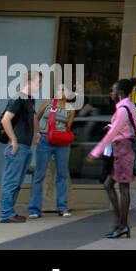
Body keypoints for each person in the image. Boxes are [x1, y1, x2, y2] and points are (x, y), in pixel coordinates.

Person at [90, 77, 136, 238]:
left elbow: (113, 134)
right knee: (108, 184)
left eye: (113, 90)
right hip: (121, 149)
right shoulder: (127, 106)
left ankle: (122, 225)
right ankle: (120, 222)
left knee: (123, 188)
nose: (111, 93)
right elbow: (122, 127)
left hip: (124, 148)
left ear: (120, 92)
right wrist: (112, 126)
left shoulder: (124, 108)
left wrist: (95, 152)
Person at [28, 82, 77, 219]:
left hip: (62, 143)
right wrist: (37, 134)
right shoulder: (48, 102)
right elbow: (36, 118)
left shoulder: (70, 108)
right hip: (45, 141)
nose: (60, 91)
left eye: (63, 89)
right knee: (39, 175)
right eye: (58, 89)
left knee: (62, 175)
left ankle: (63, 207)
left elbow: (68, 126)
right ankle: (35, 209)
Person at [0, 73, 36, 223]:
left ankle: (9, 212)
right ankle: (6, 214)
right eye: (38, 82)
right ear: (28, 81)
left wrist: (37, 133)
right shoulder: (19, 98)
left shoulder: (29, 99)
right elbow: (5, 119)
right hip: (18, 146)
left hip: (25, 146)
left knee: (17, 182)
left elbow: (33, 119)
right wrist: (13, 140)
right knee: (11, 181)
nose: (39, 85)